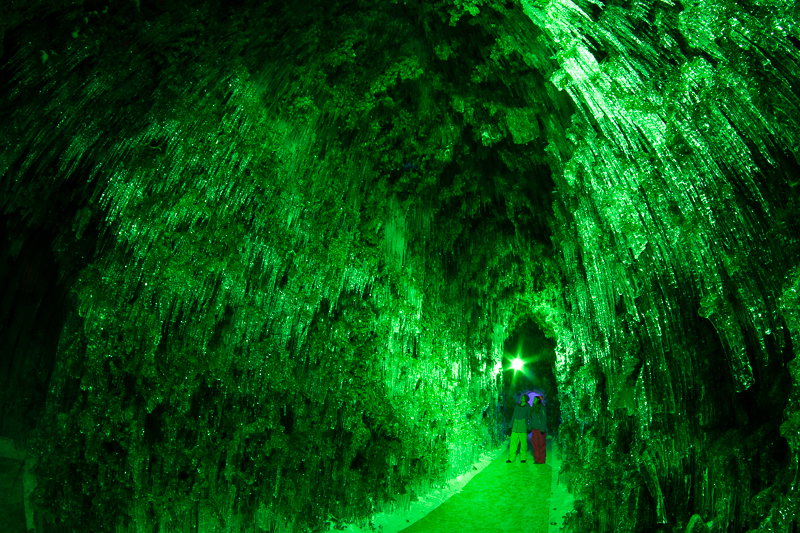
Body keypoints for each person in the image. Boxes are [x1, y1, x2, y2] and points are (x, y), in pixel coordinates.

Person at [507, 393, 532, 463]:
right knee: (513, 443)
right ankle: (511, 458)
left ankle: (523, 458)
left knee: (523, 444)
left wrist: (529, 427)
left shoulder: (527, 407)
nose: (522, 398)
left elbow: (529, 418)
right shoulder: (517, 406)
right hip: (515, 427)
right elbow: (513, 416)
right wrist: (510, 426)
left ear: (526, 399)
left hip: (523, 428)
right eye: (522, 397)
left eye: (523, 397)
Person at [531, 396, 547, 464]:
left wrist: (543, 428)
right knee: (535, 445)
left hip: (540, 429)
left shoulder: (542, 408)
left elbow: (544, 418)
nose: (533, 400)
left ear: (538, 400)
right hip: (534, 429)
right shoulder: (533, 408)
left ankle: (542, 460)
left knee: (541, 444)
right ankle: (537, 459)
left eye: (535, 399)